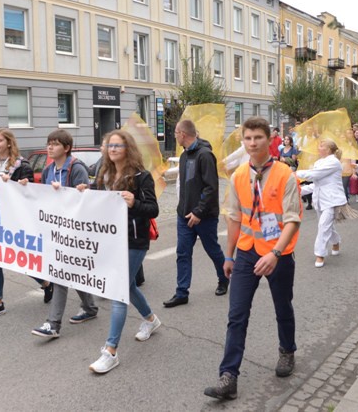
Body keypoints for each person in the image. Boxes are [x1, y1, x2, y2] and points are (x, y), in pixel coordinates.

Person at [204, 117, 302, 400]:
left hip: (278, 253)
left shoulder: (285, 174)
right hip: (247, 252)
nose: (252, 143)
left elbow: (293, 220)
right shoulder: (238, 176)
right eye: (247, 138)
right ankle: (228, 377)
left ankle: (287, 351)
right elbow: (235, 218)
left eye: (258, 137)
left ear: (269, 139)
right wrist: (229, 255)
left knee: (282, 306)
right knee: (236, 314)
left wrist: (275, 253)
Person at [84, 130, 161, 374]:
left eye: (118, 145)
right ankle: (150, 319)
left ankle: (110, 351)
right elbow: (94, 200)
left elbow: (153, 210)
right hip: (110, 240)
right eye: (109, 146)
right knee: (127, 287)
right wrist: (80, 190)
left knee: (118, 290)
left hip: (134, 241)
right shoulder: (103, 175)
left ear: (128, 148)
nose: (113, 149)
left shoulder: (141, 176)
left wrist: (134, 203)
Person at [0, 128, 52, 320]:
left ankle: (46, 283)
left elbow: (26, 192)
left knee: (21, 259)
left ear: (9, 143)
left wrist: (16, 182)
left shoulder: (22, 164)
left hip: (14, 221)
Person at [31, 129, 99, 337]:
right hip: (56, 230)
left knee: (60, 273)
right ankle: (89, 307)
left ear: (66, 148)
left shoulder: (76, 168)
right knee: (70, 272)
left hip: (74, 231)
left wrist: (67, 192)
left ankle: (53, 324)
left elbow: (84, 199)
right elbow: (43, 198)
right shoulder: (47, 170)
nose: (50, 147)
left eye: (55, 144)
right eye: (49, 143)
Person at [163, 119, 229, 308]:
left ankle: (224, 278)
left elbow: (211, 188)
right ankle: (181, 292)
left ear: (183, 134)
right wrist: (182, 209)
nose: (174, 135)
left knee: (212, 249)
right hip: (183, 215)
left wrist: (199, 212)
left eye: (176, 132)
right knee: (183, 252)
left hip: (204, 216)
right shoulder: (184, 157)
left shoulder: (205, 155)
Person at [296, 139, 347, 268]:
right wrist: (299, 191)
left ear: (328, 149)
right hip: (319, 199)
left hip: (332, 200)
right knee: (326, 225)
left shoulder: (334, 162)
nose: (318, 148)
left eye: (321, 146)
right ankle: (336, 241)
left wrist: (294, 174)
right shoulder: (318, 162)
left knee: (323, 226)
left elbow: (315, 175)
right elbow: (317, 184)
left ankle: (320, 254)